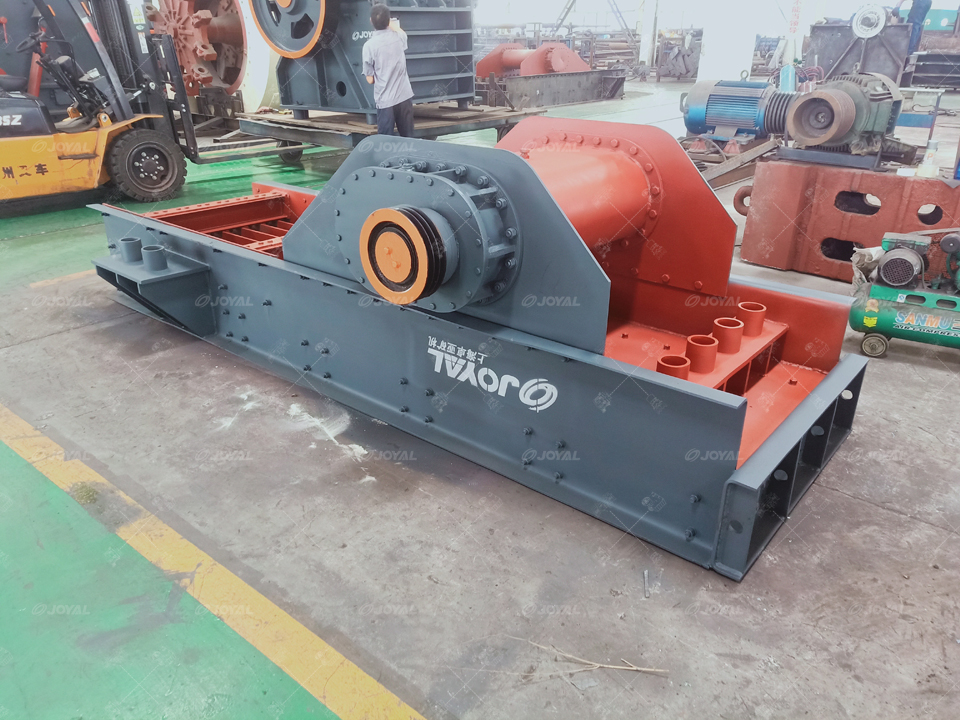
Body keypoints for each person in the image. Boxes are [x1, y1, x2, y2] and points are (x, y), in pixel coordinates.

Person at [362, 4, 415, 137]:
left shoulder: (369, 46)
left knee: (385, 139)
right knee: (408, 138)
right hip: (404, 96)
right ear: (389, 20)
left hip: (385, 101)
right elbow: (398, 30)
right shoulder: (399, 37)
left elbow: (370, 79)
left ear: (370, 21)